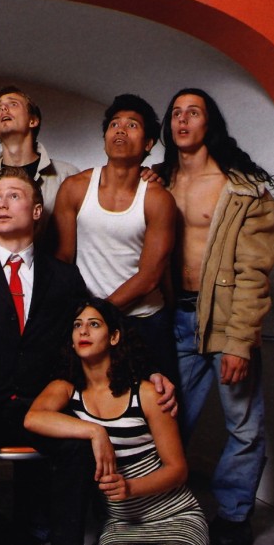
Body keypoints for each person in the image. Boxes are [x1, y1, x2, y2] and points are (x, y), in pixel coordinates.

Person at [0, 167, 175, 545]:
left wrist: (149, 373)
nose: (2, 204)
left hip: (40, 404)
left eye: (14, 196)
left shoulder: (63, 276)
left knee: (77, 447)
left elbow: (98, 330)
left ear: (37, 211)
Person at [158, 88, 274, 545]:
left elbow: (254, 272)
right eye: (176, 113)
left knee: (244, 426)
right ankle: (165, 511)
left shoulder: (244, 188)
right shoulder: (158, 183)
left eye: (193, 112)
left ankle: (233, 517)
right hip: (174, 319)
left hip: (227, 320)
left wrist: (240, 341)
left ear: (209, 123)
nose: (183, 120)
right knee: (168, 420)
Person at [25, 298, 209, 545]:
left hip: (175, 519)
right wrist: (95, 431)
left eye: (94, 324)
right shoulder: (65, 388)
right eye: (77, 325)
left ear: (114, 337)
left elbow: (178, 470)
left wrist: (131, 487)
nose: (83, 331)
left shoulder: (146, 393)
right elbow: (33, 418)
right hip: (120, 525)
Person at [54, 94, 179, 382]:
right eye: (114, 124)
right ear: (105, 139)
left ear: (148, 144)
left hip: (144, 320)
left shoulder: (158, 199)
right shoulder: (75, 188)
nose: (120, 129)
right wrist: (85, 317)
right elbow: (63, 259)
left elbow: (149, 277)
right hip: (88, 320)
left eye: (132, 125)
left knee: (158, 403)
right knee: (87, 402)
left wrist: (99, 313)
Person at [0, 85, 79, 259]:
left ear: (33, 121)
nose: (4, 109)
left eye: (13, 104)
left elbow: (82, 249)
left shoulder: (67, 177)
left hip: (51, 275)